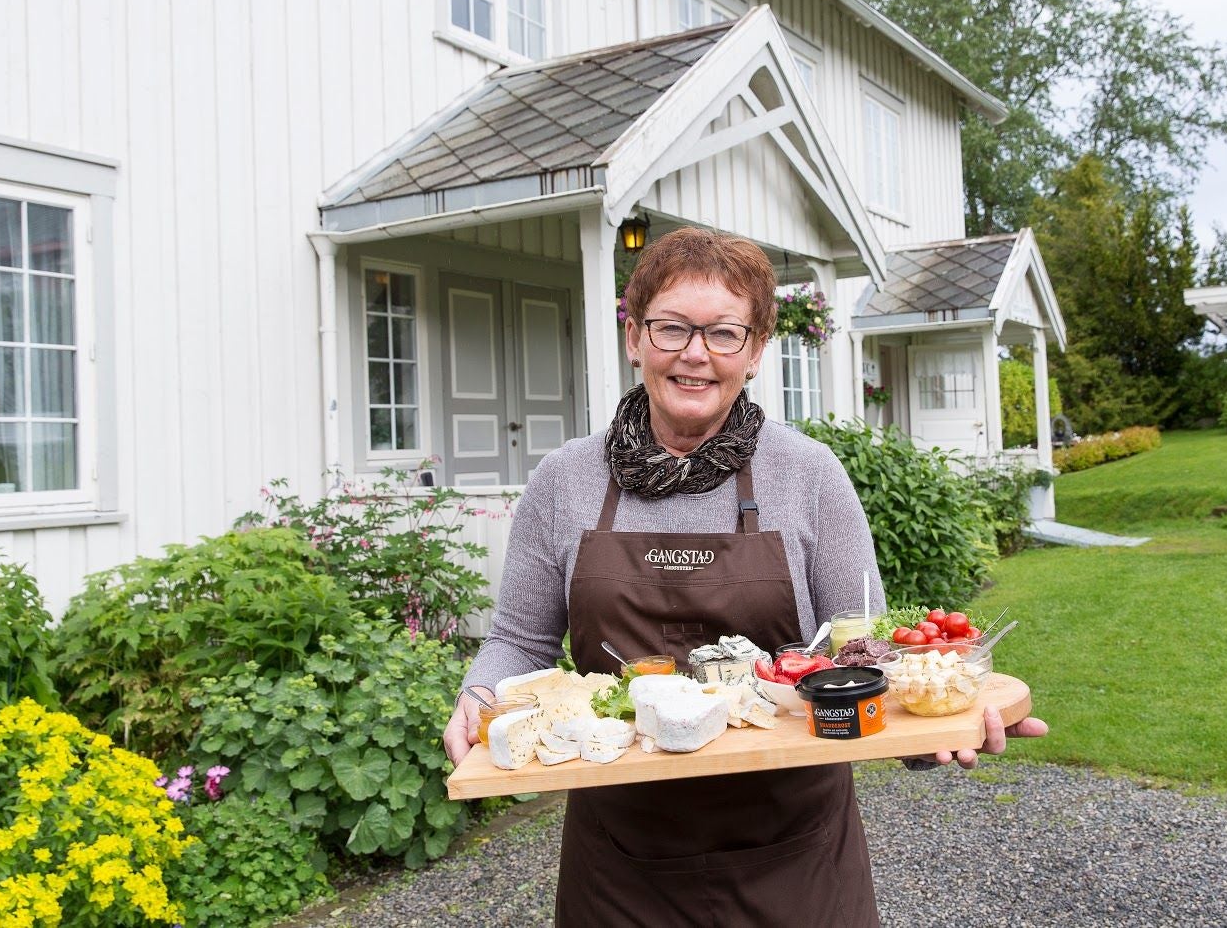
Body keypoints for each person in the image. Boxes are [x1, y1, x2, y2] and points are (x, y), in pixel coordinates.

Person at [443, 228, 1046, 926]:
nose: (695, 353)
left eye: (724, 333)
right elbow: (519, 640)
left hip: (796, 856)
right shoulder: (565, 480)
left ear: (756, 352)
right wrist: (477, 695)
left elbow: (865, 652)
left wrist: (928, 733)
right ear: (634, 337)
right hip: (620, 863)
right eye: (672, 327)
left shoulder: (809, 475)